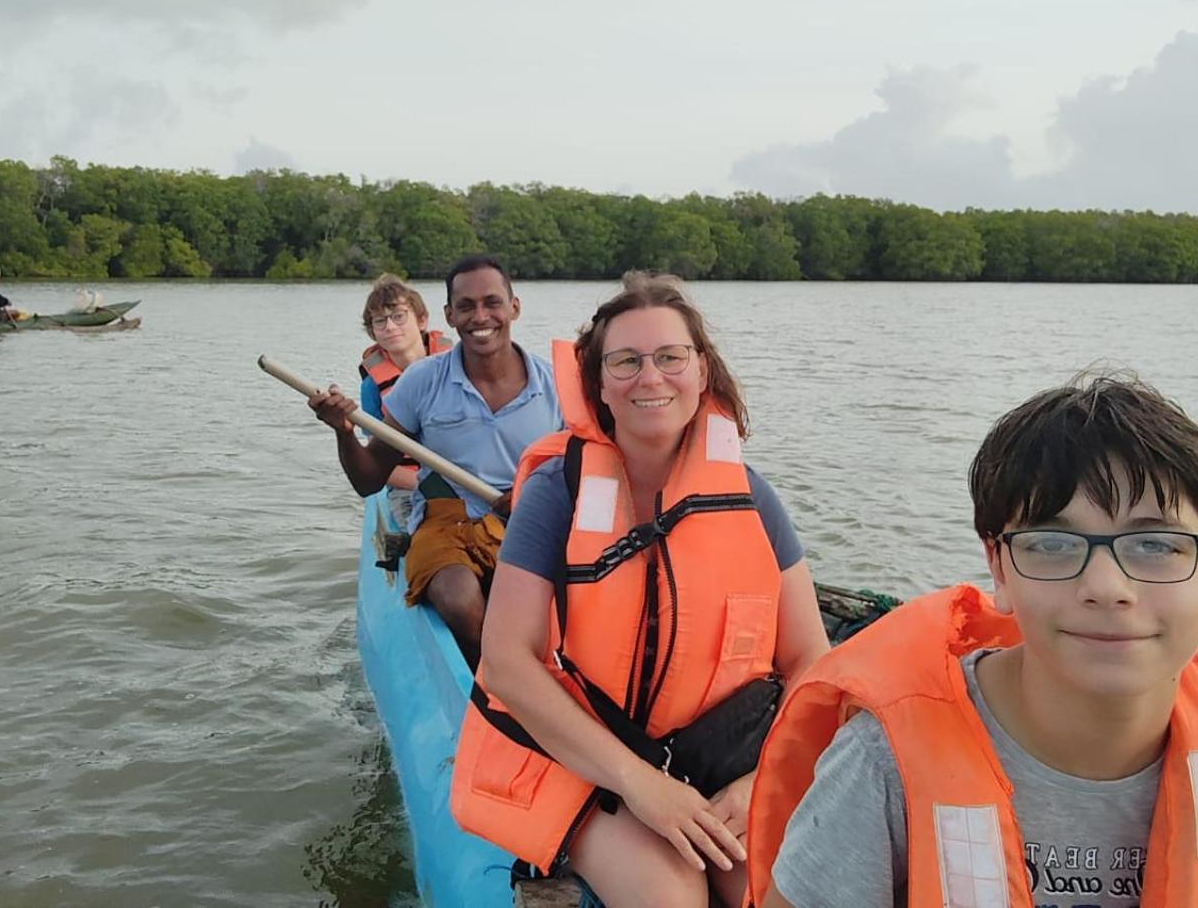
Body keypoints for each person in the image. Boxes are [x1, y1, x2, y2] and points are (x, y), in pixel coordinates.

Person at [746, 375, 1198, 908]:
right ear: (1001, 570)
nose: (1107, 588)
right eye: (1053, 543)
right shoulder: (881, 768)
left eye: (1156, 545)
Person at [449, 271, 832, 908]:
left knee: (768, 886)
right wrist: (639, 785)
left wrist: (763, 778)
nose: (649, 378)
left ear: (701, 370)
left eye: (669, 357)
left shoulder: (752, 497)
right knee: (671, 890)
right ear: (598, 383)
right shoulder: (558, 493)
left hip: (722, 763)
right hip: (589, 759)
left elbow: (811, 661)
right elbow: (507, 663)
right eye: (625, 361)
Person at [309, 255, 561, 668]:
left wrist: (532, 496)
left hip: (523, 520)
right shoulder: (422, 380)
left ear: (514, 307)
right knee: (460, 600)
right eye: (466, 306)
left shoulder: (554, 386)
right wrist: (342, 431)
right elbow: (368, 480)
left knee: (558, 601)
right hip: (445, 522)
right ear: (449, 315)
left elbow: (581, 473)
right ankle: (499, 682)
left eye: (492, 302)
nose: (480, 316)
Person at [356, 273, 452, 512]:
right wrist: (426, 485)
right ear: (373, 332)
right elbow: (378, 462)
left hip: (464, 480)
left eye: (398, 317)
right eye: (380, 321)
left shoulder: (456, 366)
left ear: (421, 321)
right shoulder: (371, 387)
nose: (390, 327)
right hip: (409, 488)